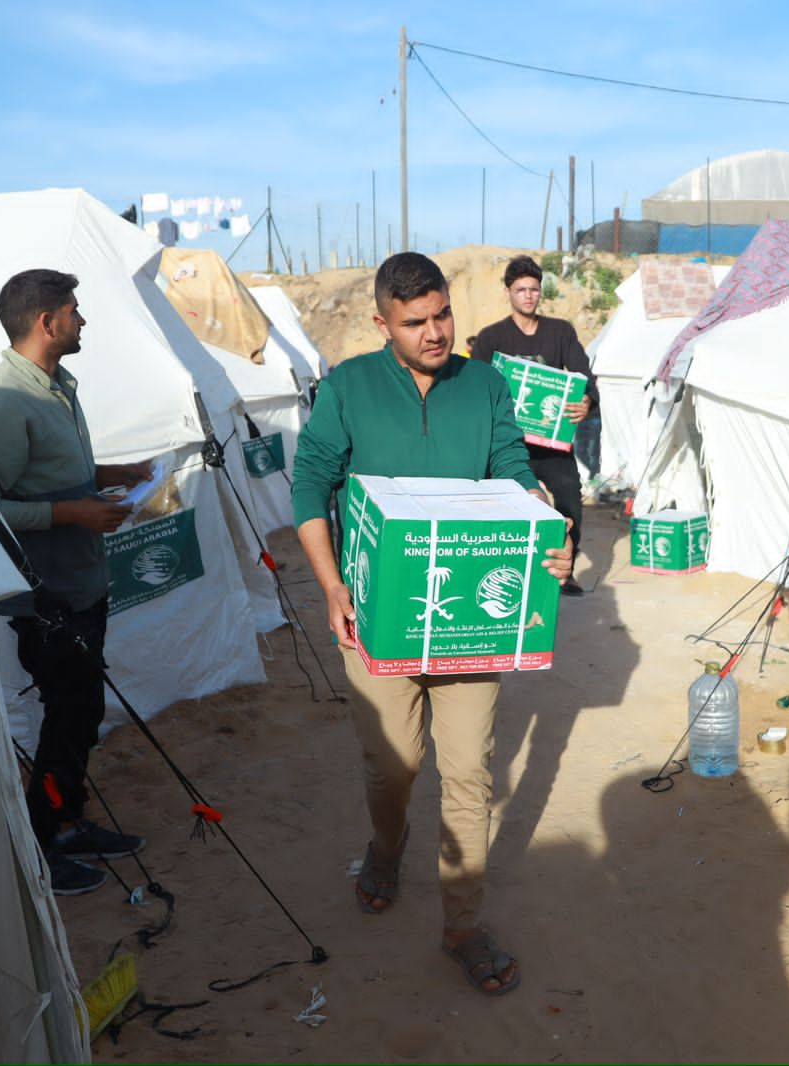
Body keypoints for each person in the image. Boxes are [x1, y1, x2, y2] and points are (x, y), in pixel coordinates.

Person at [291, 252, 573, 997]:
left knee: (470, 773)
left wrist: (548, 528)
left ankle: (462, 924)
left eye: (443, 314)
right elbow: (312, 482)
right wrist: (330, 588)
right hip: (375, 619)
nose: (436, 332)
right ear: (382, 322)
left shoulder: (484, 384)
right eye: (415, 322)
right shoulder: (349, 387)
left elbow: (512, 468)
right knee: (393, 768)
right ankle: (388, 844)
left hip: (466, 627)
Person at [0, 269, 151, 897]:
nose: (82, 319)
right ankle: (44, 841)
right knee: (65, 714)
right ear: (47, 322)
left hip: (81, 581)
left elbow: (51, 472)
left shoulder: (56, 386)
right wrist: (72, 513)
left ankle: (67, 823)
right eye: (74, 309)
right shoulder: (0, 402)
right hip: (46, 597)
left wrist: (115, 472)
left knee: (82, 710)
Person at [471, 255, 597, 596]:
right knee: (501, 504)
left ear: (541, 293)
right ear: (508, 293)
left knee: (569, 497)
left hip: (553, 448)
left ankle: (563, 571)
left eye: (534, 289)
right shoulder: (490, 338)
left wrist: (587, 401)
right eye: (520, 289)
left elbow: (584, 378)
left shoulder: (560, 333)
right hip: (509, 447)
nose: (528, 295)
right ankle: (503, 568)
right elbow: (473, 388)